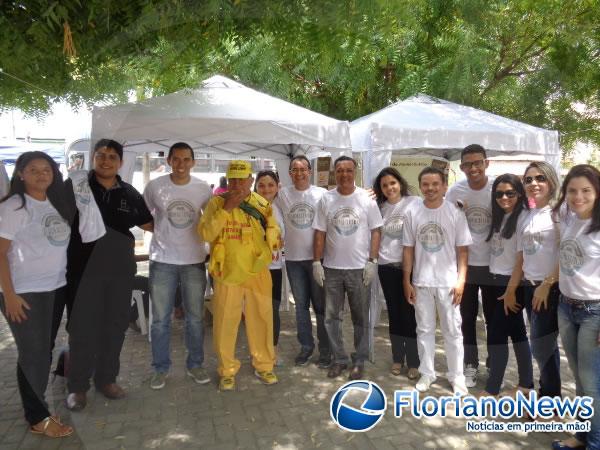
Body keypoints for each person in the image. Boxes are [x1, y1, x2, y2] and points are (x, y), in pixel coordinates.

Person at [66, 139, 153, 411]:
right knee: (82, 330)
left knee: (114, 327)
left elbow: (150, 224)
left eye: (112, 157)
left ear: (121, 163)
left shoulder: (128, 192)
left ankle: (107, 380)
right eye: (101, 155)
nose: (106, 161)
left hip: (118, 270)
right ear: (93, 158)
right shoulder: (75, 187)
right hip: (82, 272)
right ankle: (77, 388)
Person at [0, 152, 74, 437]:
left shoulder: (55, 203)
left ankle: (38, 408)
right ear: (21, 174)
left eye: (47, 169)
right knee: (34, 353)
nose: (41, 174)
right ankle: (38, 416)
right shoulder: (14, 206)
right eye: (34, 170)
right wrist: (10, 294)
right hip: (23, 292)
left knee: (43, 350)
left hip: (54, 288)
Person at [198, 160, 281, 391]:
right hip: (227, 272)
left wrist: (273, 240)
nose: (237, 184)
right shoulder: (216, 203)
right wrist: (226, 209)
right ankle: (226, 370)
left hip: (257, 271)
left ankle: (264, 365)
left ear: (250, 180)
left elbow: (273, 231)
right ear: (227, 180)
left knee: (262, 319)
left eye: (241, 179)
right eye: (232, 179)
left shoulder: (262, 204)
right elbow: (206, 233)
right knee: (225, 323)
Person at [144, 142, 213, 389]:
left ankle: (195, 364)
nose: (181, 164)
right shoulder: (155, 186)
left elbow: (213, 220)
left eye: (186, 159)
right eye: (177, 159)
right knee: (161, 320)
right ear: (169, 160)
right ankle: (160, 369)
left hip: (194, 260)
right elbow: (142, 216)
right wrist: (160, 231)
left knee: (195, 318)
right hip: (162, 260)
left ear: (193, 162)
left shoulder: (203, 188)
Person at [402, 166, 471, 395]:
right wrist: (407, 280)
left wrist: (461, 280)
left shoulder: (454, 212)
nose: (430, 188)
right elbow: (408, 249)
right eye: (425, 184)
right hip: (422, 282)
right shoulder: (413, 212)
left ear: (444, 187)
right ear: (420, 186)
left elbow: (462, 251)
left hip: (449, 283)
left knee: (453, 331)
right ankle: (427, 373)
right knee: (424, 330)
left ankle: (456, 377)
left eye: (435, 184)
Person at [313, 156, 383, 380]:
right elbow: (320, 232)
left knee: (360, 317)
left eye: (348, 170)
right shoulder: (326, 199)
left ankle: (359, 359)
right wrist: (317, 262)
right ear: (335, 173)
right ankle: (339, 359)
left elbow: (376, 231)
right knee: (331, 318)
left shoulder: (366, 198)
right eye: (340, 170)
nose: (344, 174)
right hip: (332, 269)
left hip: (359, 269)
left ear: (355, 172)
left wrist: (372, 261)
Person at [552, 164, 600, 450]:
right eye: (572, 191)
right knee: (580, 381)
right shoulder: (570, 219)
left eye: (586, 191)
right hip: (566, 307)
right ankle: (582, 436)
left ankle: (595, 442)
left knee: (592, 383)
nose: (578, 196)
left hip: (595, 312)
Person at [445, 144, 495, 388]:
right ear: (462, 167)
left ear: (487, 163)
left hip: (495, 265)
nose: (473, 168)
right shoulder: (455, 191)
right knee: (465, 318)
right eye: (468, 164)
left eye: (478, 163)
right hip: (464, 265)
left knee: (494, 319)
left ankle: (494, 363)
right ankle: (470, 364)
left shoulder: (499, 188)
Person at [275, 155, 330, 368]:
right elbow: (264, 198)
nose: (299, 173)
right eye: (294, 170)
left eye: (303, 169)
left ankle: (325, 349)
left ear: (310, 171)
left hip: (317, 259)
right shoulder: (282, 195)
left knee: (321, 307)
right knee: (300, 307)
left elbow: (342, 200)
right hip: (294, 260)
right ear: (289, 173)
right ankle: (306, 348)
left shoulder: (321, 194)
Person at [481, 174, 533, 397]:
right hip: (493, 282)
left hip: (511, 285)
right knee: (518, 333)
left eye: (510, 193)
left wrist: (511, 291)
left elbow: (521, 260)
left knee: (496, 336)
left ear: (519, 194)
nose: (504, 197)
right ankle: (526, 384)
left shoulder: (523, 218)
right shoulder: (501, 216)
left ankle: (492, 389)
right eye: (499, 193)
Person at [516, 161, 561, 400]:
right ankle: (549, 398)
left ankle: (550, 400)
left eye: (540, 178)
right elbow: (522, 255)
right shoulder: (528, 214)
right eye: (529, 179)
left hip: (549, 289)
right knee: (544, 346)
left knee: (542, 346)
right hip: (528, 286)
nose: (534, 183)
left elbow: (568, 251)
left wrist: (547, 284)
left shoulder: (560, 212)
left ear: (551, 181)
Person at [373, 167, 420, 379]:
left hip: (409, 268)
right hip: (386, 267)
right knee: (394, 314)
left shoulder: (414, 203)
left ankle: (414, 361)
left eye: (392, 183)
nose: (389, 188)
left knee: (409, 314)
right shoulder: (379, 208)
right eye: (384, 185)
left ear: (399, 182)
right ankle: (397, 358)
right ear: (380, 189)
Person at [254, 170, 285, 362]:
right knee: (256, 311)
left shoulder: (280, 208)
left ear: (277, 187)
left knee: (272, 310)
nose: (266, 189)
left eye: (270, 185)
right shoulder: (248, 208)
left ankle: (272, 349)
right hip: (255, 269)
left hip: (274, 268)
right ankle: (257, 350)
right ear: (256, 187)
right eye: (262, 185)